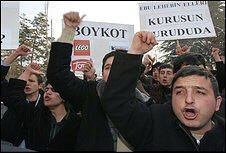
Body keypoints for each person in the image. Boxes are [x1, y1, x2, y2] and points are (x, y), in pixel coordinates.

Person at [101, 31, 225, 151]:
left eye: (200, 92)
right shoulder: (153, 124)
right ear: (171, 97)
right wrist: (134, 52)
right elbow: (117, 101)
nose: (188, 99)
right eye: (179, 92)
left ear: (217, 103)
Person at [47, 11, 134, 151]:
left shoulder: (145, 102)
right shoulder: (91, 93)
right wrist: (69, 31)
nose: (113, 72)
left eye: (118, 67)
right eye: (108, 67)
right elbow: (57, 73)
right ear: (102, 73)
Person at [3, 63, 81, 151]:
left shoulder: (76, 122)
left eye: (53, 90)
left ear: (64, 96)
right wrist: (27, 72)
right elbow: (14, 98)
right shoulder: (35, 115)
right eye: (47, 89)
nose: (48, 92)